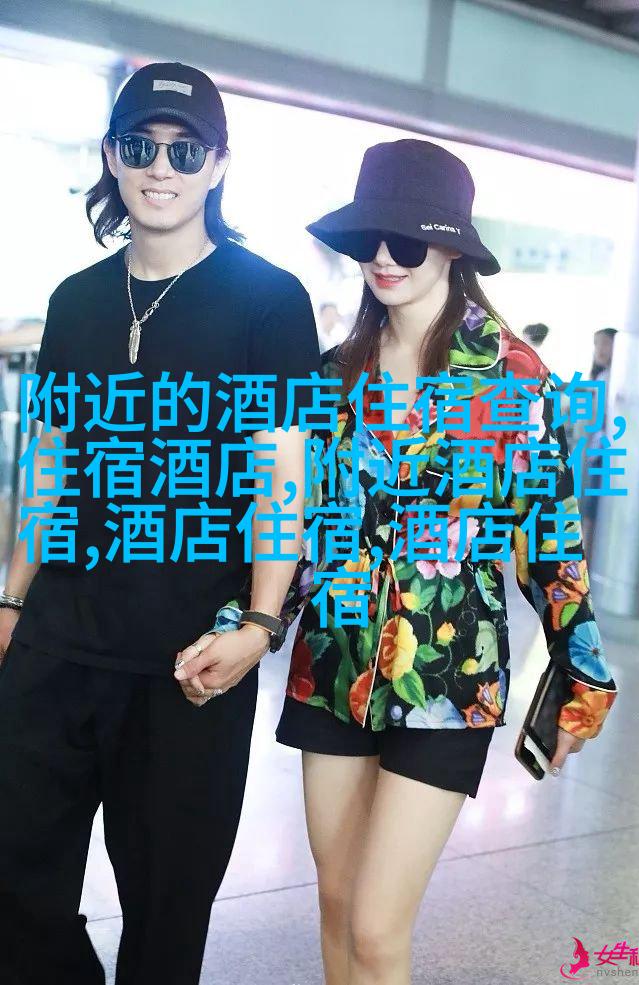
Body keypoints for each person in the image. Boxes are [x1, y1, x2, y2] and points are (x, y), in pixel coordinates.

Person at [255, 139, 619, 985]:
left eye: (407, 241)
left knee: (378, 926)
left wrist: (582, 673)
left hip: (449, 683)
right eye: (368, 239)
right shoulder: (331, 377)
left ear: (452, 249)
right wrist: (250, 622)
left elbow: (550, 542)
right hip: (331, 663)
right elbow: (302, 528)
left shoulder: (512, 378)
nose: (383, 257)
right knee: (336, 901)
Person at [0, 61, 320, 985]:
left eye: (186, 151)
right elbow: (48, 460)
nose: (161, 168)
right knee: (15, 883)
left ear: (218, 164)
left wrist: (259, 623)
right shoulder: (76, 299)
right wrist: (11, 598)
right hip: (60, 637)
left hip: (190, 658)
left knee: (167, 911)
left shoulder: (269, 301)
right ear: (112, 155)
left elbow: (281, 476)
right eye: (141, 146)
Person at [578, 327, 618, 562]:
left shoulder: (611, 378)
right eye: (597, 344)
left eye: (605, 343)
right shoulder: (602, 378)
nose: (600, 350)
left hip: (605, 455)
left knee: (593, 513)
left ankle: (588, 565)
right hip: (599, 454)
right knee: (592, 512)